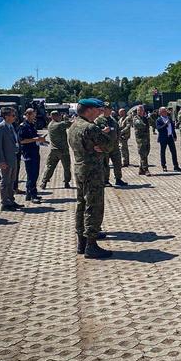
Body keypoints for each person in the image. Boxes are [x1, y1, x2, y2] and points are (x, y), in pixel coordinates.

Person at [68, 98, 112, 259]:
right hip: (92, 171)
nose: (100, 111)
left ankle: (82, 242)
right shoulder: (90, 127)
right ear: (88, 110)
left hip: (80, 169)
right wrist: (102, 144)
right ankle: (91, 245)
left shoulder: (73, 126)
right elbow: (108, 144)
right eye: (97, 109)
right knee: (94, 205)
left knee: (82, 203)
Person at [0, 107, 24, 212]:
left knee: (12, 181)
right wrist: (1, 161)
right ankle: (5, 203)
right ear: (6, 116)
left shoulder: (11, 126)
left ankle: (11, 200)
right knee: (5, 181)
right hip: (6, 160)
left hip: (13, 157)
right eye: (12, 115)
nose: (14, 117)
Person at [95, 103, 128, 187]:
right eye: (108, 109)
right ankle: (106, 180)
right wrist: (102, 130)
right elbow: (94, 131)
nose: (110, 110)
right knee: (105, 164)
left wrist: (118, 139)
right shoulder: (98, 120)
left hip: (114, 146)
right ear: (104, 109)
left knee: (117, 163)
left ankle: (118, 179)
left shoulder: (113, 120)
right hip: (104, 147)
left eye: (110, 109)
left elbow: (117, 130)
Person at [18, 108, 46, 203]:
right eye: (33, 115)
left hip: (34, 152)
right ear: (28, 115)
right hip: (28, 153)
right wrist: (36, 139)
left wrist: (41, 140)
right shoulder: (23, 126)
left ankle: (30, 193)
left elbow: (34, 138)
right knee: (31, 174)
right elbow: (22, 140)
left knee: (35, 174)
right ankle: (32, 194)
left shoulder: (31, 125)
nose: (34, 117)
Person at [40, 111, 72, 189]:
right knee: (66, 167)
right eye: (59, 116)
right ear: (55, 116)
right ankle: (67, 182)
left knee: (50, 167)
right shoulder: (59, 124)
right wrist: (66, 118)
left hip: (54, 150)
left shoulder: (50, 125)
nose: (60, 117)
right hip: (63, 150)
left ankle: (44, 182)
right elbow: (69, 124)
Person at [156, 106, 181, 171]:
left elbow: (172, 128)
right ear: (160, 112)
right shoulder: (158, 120)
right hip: (163, 138)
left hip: (170, 137)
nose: (165, 112)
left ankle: (176, 166)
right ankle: (164, 166)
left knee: (174, 152)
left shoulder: (169, 118)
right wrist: (165, 124)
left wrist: (175, 135)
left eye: (166, 111)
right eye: (164, 111)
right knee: (163, 152)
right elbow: (159, 129)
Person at [132, 105, 152, 176]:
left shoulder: (145, 118)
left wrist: (149, 118)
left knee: (146, 153)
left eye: (141, 110)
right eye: (138, 110)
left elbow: (152, 123)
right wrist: (146, 122)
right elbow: (140, 125)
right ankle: (146, 169)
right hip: (140, 139)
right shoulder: (135, 118)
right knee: (143, 154)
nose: (140, 112)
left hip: (147, 138)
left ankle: (141, 169)